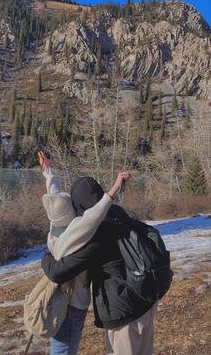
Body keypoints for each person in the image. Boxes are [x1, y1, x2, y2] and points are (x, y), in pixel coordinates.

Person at [42, 175, 158, 355]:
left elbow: (58, 272)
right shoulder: (117, 213)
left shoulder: (95, 235)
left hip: (124, 310)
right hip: (146, 298)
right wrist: (48, 173)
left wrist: (47, 257)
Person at [38, 151, 130, 355]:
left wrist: (48, 171)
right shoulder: (76, 230)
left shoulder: (56, 226)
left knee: (59, 346)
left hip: (57, 298)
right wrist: (114, 189)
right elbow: (94, 216)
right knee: (64, 348)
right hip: (73, 302)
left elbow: (55, 198)